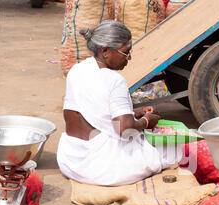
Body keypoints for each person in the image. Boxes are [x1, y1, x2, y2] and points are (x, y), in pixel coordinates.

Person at [56, 20, 181, 186]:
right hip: (102, 169)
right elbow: (124, 129)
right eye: (125, 52)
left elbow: (95, 112)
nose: (129, 58)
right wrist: (147, 121)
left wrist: (134, 113)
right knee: (175, 152)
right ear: (106, 51)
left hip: (70, 160)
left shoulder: (77, 70)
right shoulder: (115, 81)